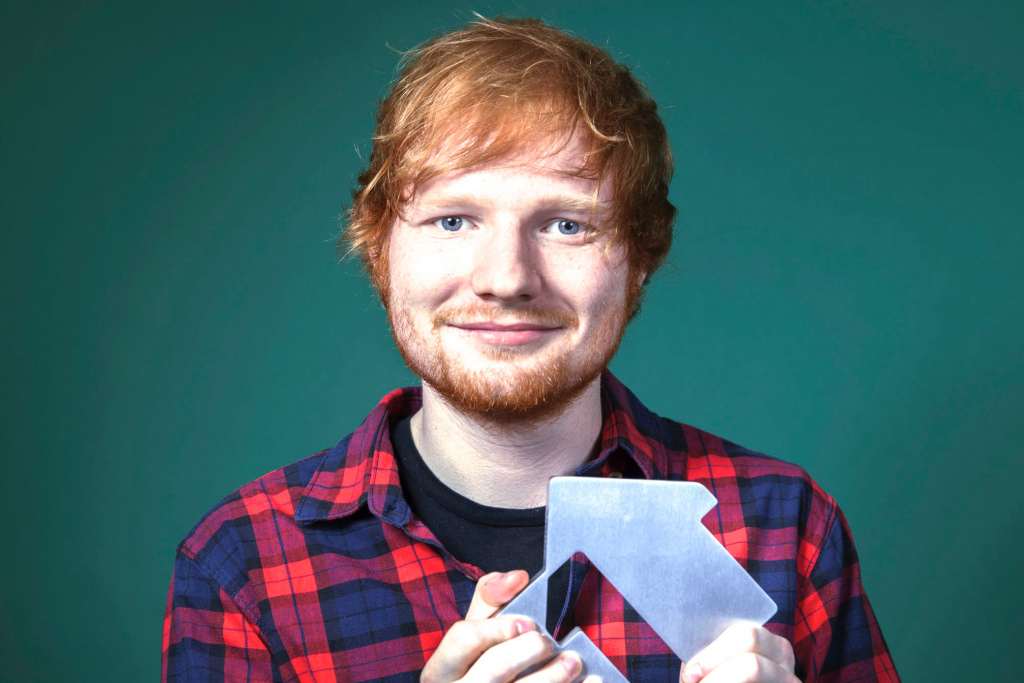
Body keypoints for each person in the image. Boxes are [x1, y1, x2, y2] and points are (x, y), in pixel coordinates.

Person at [162, 16, 899, 683]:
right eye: (453, 220)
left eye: (567, 225)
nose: (507, 278)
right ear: (380, 248)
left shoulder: (786, 528)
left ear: (640, 257)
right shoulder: (242, 565)